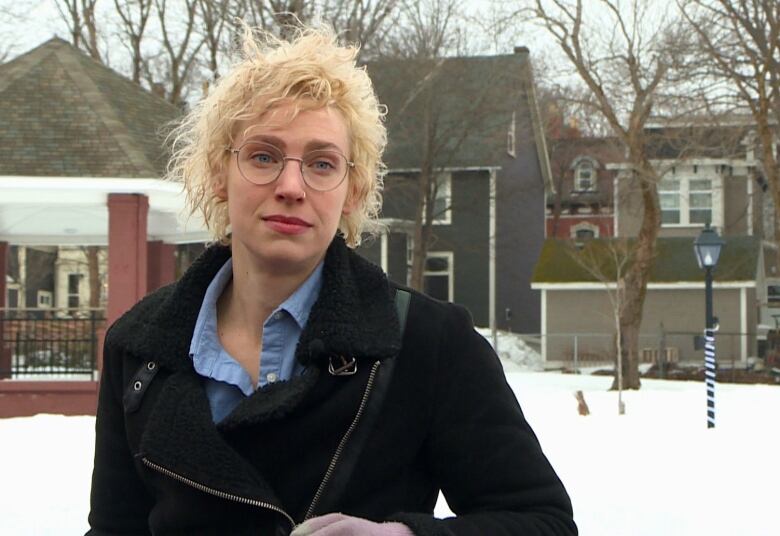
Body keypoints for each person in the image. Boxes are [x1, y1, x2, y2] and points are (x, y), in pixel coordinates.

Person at [86, 23, 577, 536]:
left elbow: (543, 522)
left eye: (322, 163)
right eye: (263, 156)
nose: (291, 186)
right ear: (217, 174)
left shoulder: (427, 343)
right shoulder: (138, 348)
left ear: (353, 192)